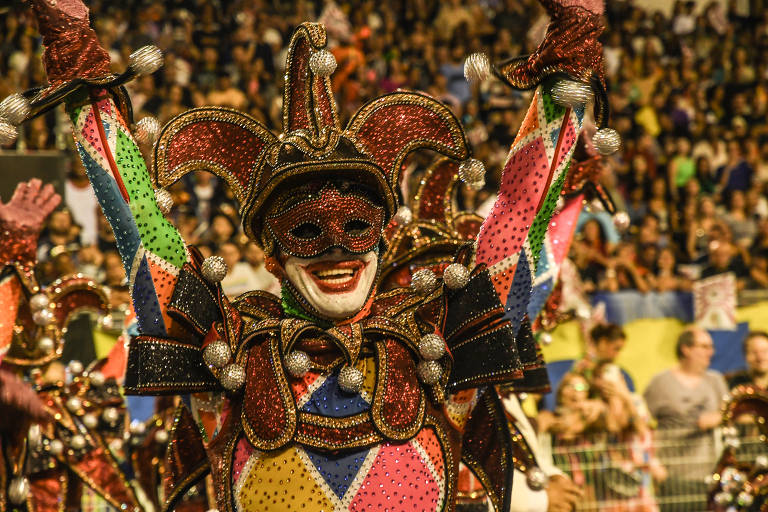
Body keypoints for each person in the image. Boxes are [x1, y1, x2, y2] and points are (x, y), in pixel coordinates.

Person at [13, 0, 611, 509]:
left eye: (356, 227)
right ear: (272, 257)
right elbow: (140, 221)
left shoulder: (440, 344)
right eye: (306, 231)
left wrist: (574, 53)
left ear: (380, 238)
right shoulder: (228, 356)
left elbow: (518, 212)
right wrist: (77, 58)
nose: (335, 250)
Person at [643, 327, 728, 511]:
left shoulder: (716, 381)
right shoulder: (661, 383)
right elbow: (641, 424)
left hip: (711, 475)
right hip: (673, 476)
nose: (710, 352)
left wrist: (718, 417)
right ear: (686, 349)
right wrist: (653, 464)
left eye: (711, 347)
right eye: (704, 346)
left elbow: (731, 414)